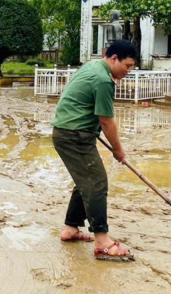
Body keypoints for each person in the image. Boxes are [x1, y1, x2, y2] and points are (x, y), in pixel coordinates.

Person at [51, 39, 137, 261]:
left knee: (86, 181)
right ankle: (102, 241)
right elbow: (107, 121)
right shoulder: (103, 80)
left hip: (69, 132)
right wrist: (118, 150)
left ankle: (71, 228)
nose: (128, 71)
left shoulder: (93, 66)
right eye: (127, 66)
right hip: (74, 136)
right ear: (114, 58)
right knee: (97, 183)